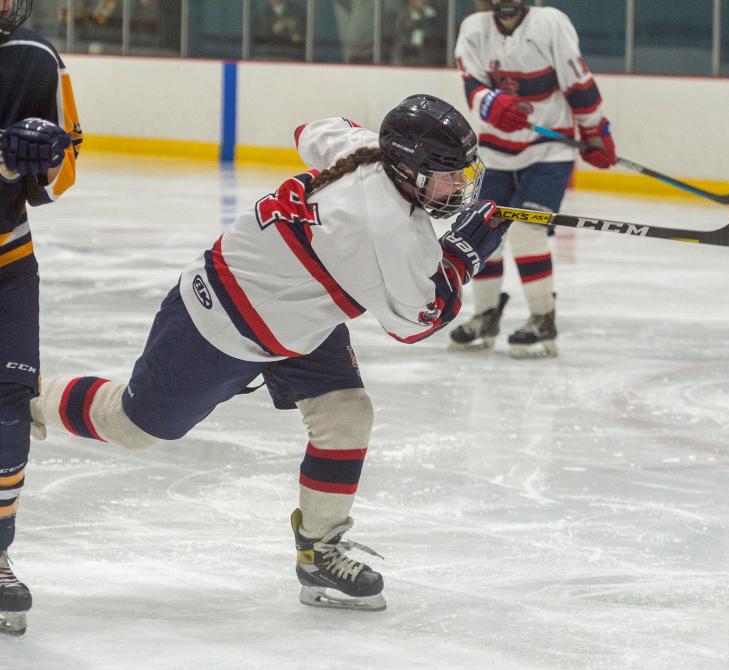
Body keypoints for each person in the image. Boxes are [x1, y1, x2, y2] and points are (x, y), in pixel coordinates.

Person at [30, 94, 508, 613]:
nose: (459, 186)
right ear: (408, 170)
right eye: (446, 175)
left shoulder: (367, 150)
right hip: (220, 321)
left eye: (462, 173)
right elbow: (418, 321)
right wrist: (464, 253)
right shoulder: (391, 232)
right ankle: (25, 396)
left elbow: (311, 130)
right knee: (133, 424)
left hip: (296, 317)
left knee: (347, 414)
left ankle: (319, 553)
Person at [452, 0, 617, 358]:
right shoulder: (474, 28)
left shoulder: (551, 23)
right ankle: (486, 314)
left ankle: (543, 317)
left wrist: (594, 131)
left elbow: (579, 85)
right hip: (495, 153)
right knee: (481, 230)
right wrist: (490, 103)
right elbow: (472, 84)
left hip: (548, 151)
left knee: (527, 231)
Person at [0, 0, 81, 636]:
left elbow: (59, 177)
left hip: (7, 262)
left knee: (7, 408)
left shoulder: (36, 57)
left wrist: (42, 160)